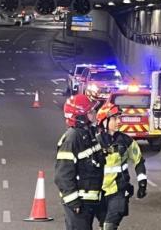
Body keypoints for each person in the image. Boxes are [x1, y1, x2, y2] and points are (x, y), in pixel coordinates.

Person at [55, 93, 105, 230]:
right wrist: (74, 202)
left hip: (91, 200)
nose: (94, 114)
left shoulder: (89, 134)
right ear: (81, 117)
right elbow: (62, 175)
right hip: (79, 202)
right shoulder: (71, 139)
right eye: (90, 112)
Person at [94, 102, 148, 230]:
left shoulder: (126, 141)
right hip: (99, 191)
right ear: (104, 121)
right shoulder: (94, 142)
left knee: (110, 225)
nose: (119, 121)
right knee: (103, 224)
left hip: (119, 190)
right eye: (114, 118)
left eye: (119, 118)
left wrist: (142, 183)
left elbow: (138, 161)